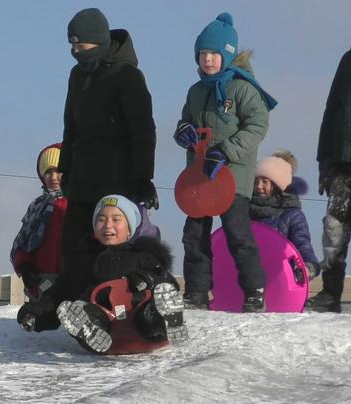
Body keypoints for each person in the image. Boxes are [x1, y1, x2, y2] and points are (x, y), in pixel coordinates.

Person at [43, 8, 158, 310]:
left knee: (113, 246)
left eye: (82, 46)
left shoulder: (127, 75)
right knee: (74, 244)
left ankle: (123, 308)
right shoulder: (77, 75)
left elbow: (143, 130)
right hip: (82, 175)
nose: (76, 52)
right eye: (72, 47)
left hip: (117, 176)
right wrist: (65, 169)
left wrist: (143, 178)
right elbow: (71, 126)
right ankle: (76, 308)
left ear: (99, 41)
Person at [173, 12, 277, 313]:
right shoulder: (195, 91)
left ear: (227, 56)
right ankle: (196, 292)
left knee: (238, 235)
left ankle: (255, 291)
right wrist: (183, 131)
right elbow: (185, 120)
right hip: (199, 178)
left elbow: (257, 126)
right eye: (203, 54)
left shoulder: (243, 89)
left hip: (232, 178)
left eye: (214, 54)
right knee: (193, 235)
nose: (207, 60)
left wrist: (227, 151)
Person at [17, 195, 187, 354]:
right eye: (101, 219)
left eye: (116, 219)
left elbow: (167, 281)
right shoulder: (84, 261)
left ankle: (168, 322)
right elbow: (60, 293)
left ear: (130, 229)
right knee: (81, 310)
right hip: (106, 323)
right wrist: (35, 312)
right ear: (94, 228)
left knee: (150, 310)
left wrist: (148, 279)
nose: (107, 225)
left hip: (139, 321)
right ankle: (90, 329)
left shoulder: (143, 257)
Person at [308, 49, 351, 313]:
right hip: (342, 162)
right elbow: (332, 108)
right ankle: (330, 292)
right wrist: (324, 159)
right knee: (334, 229)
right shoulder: (348, 60)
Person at [250, 151, 320, 282]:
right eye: (256, 181)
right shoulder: (246, 212)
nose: (259, 186)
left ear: (277, 185)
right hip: (249, 281)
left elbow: (302, 244)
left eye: (265, 181)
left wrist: (308, 267)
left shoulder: (292, 215)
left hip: (281, 280)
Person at [10, 144, 67, 301]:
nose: (53, 177)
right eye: (48, 172)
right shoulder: (37, 206)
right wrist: (25, 267)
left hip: (74, 279)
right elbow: (21, 242)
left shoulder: (79, 205)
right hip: (43, 279)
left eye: (58, 171)